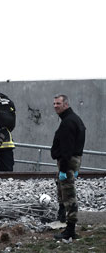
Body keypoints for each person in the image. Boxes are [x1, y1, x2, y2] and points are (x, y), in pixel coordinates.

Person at [51, 94, 86, 239]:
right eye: (54, 104)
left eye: (58, 103)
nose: (55, 106)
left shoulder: (68, 122)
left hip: (68, 161)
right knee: (63, 191)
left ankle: (70, 230)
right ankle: (63, 219)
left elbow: (67, 149)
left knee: (69, 195)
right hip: (73, 160)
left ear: (66, 104)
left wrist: (64, 169)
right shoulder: (74, 119)